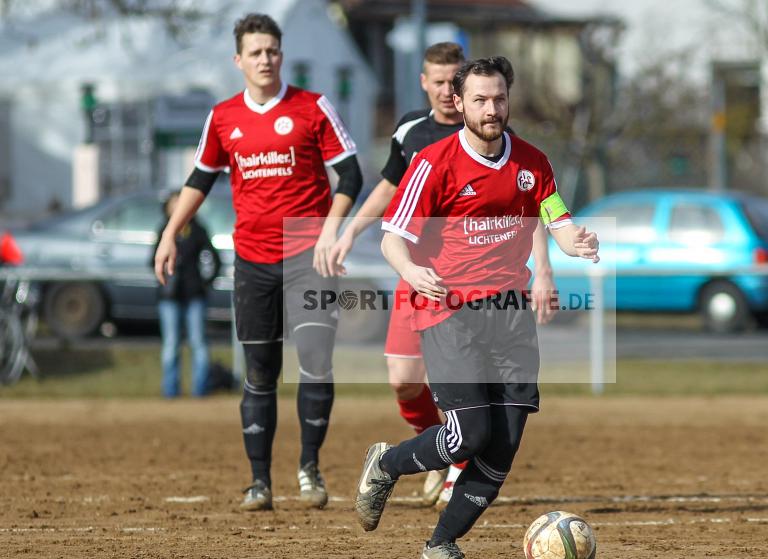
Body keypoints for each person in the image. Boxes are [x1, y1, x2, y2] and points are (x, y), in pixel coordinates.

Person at [354, 56, 599, 559]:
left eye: (499, 99)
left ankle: (441, 543)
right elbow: (394, 237)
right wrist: (413, 272)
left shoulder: (533, 162)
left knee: (504, 443)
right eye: (481, 100)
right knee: (467, 435)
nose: (492, 109)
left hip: (509, 316)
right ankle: (387, 463)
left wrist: (573, 241)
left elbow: (554, 216)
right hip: (448, 311)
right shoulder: (434, 163)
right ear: (459, 103)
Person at [329, 43, 558, 508]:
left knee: (481, 413)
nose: (445, 90)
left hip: (487, 297)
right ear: (432, 85)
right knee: (404, 379)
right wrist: (350, 232)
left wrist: (543, 270)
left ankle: (453, 456)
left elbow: (526, 210)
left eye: (455, 81)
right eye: (437, 81)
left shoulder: (506, 142)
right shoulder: (415, 136)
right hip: (421, 280)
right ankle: (435, 444)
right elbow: (390, 193)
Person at [154, 13, 363, 511]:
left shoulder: (313, 107)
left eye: (272, 50)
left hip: (310, 256)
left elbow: (350, 176)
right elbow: (199, 180)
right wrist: (169, 233)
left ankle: (310, 469)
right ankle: (259, 482)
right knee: (259, 371)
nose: (265, 59)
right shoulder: (224, 117)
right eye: (255, 52)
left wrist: (329, 230)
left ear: (281, 55)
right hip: (252, 260)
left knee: (314, 362)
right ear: (239, 61)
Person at [152, 191, 221, 398]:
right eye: (174, 204)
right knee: (171, 345)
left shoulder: (198, 230)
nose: (177, 208)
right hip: (169, 297)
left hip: (194, 295)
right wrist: (165, 276)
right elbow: (152, 261)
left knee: (198, 343)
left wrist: (204, 282)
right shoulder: (164, 231)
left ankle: (200, 390)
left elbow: (214, 259)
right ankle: (170, 392)